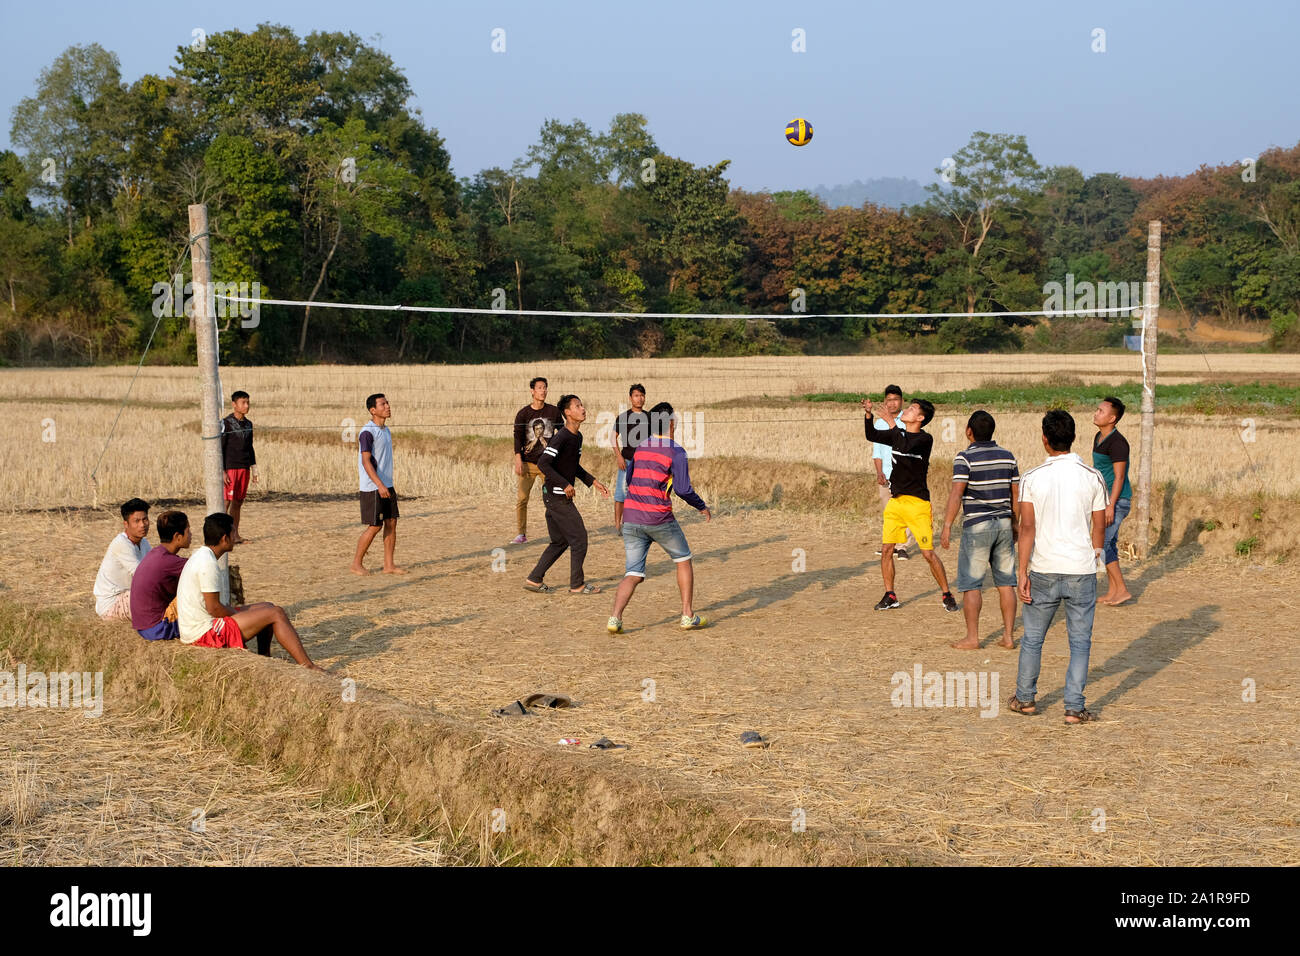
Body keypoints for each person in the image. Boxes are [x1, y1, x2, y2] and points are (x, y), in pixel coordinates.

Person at [1009, 410, 1108, 725]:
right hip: (1081, 569)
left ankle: (1025, 699)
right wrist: (1095, 558)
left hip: (1044, 568)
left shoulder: (1033, 478)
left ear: (1044, 439)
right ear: (1074, 437)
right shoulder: (1092, 476)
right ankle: (1074, 707)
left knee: (1033, 637)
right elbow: (1100, 524)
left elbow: (1027, 528)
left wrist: (1022, 572)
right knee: (1080, 641)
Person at [608, 402, 712, 633]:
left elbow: (630, 478)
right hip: (659, 518)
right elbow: (684, 489)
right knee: (683, 559)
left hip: (631, 517)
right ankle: (687, 614)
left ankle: (614, 619)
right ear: (672, 424)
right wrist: (701, 507)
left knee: (633, 573)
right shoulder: (676, 451)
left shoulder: (641, 447)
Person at [177, 512, 323, 670]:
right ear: (224, 538)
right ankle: (308, 665)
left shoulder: (201, 555)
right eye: (233, 532)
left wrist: (239, 613)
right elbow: (214, 608)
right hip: (203, 634)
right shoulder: (207, 564)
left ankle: (264, 659)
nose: (235, 537)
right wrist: (237, 614)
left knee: (268, 606)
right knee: (276, 613)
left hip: (197, 627)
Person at [861, 397, 958, 613]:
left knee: (927, 554)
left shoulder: (925, 439)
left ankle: (946, 594)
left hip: (918, 505)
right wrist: (868, 415)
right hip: (895, 503)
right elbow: (872, 435)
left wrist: (891, 422)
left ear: (920, 418)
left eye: (912, 409)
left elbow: (905, 444)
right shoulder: (899, 434)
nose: (906, 410)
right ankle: (890, 595)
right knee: (887, 549)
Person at [940, 411, 1020, 650]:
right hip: (1005, 523)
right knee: (1006, 583)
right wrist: (1015, 523)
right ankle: (1008, 636)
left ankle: (973, 638)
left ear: (968, 431)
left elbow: (957, 493)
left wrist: (946, 526)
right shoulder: (1008, 456)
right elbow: (1016, 493)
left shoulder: (964, 458)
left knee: (972, 583)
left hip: (977, 526)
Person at [524, 394, 610, 594]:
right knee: (579, 538)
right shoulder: (561, 437)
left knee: (560, 541)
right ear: (567, 413)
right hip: (556, 496)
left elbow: (573, 466)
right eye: (578, 406)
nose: (583, 409)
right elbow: (543, 463)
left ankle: (534, 579)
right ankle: (577, 585)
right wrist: (564, 485)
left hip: (554, 496)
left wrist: (593, 481)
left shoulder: (576, 437)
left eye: (582, 405)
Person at [351, 393, 404, 575]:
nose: (387, 406)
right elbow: (366, 461)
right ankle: (356, 564)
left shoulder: (386, 430)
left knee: (391, 522)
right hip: (373, 487)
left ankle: (389, 565)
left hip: (387, 484)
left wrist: (386, 484)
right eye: (383, 404)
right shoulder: (367, 432)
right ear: (373, 410)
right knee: (375, 526)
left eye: (387, 402)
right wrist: (379, 485)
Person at [1092, 396, 1133, 606]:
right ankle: (1114, 591)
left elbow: (1119, 477)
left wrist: (1110, 505)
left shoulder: (1118, 443)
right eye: (1097, 409)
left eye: (1101, 411)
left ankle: (1123, 590)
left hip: (1117, 501)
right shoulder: (1098, 437)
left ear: (1112, 418)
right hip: (1106, 500)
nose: (1096, 413)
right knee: (1110, 545)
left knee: (1104, 543)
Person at [512, 377, 562, 544]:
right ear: (532, 391)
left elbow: (562, 433)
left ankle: (558, 533)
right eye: (540, 388)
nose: (543, 390)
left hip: (547, 465)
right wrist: (518, 458)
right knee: (522, 499)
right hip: (528, 464)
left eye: (545, 387)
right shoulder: (524, 414)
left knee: (552, 499)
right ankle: (521, 534)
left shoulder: (554, 412)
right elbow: (517, 437)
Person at [130, 510, 190, 641]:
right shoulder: (168, 561)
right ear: (177, 537)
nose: (190, 535)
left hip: (144, 626)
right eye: (188, 531)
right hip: (157, 629)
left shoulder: (156, 553)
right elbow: (200, 569)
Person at [871, 385, 913, 559]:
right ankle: (890, 545)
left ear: (902, 401)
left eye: (896, 399)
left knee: (905, 511)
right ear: (884, 402)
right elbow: (877, 452)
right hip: (886, 475)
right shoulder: (879, 423)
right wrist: (879, 472)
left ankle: (903, 546)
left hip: (904, 475)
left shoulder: (909, 420)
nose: (892, 403)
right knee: (889, 512)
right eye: (889, 400)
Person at [93, 498, 151, 620]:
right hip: (112, 603)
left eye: (145, 519)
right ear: (126, 524)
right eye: (137, 521)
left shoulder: (144, 543)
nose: (142, 525)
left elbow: (154, 568)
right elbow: (143, 576)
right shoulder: (121, 544)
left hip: (128, 595)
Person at [612, 383, 650, 533]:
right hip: (627, 460)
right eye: (636, 396)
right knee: (621, 493)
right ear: (630, 398)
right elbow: (613, 438)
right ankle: (617, 524)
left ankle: (640, 522)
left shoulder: (650, 417)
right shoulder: (623, 417)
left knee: (643, 493)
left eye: (641, 395)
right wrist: (619, 457)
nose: (639, 399)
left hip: (645, 462)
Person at [220, 390, 257, 544]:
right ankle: (220, 536)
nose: (246, 405)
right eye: (243, 402)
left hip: (244, 468)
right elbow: (220, 448)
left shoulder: (249, 424)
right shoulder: (225, 423)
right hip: (230, 468)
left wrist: (254, 468)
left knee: (238, 502)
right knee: (225, 502)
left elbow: (250, 447)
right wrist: (222, 471)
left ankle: (234, 535)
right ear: (234, 404)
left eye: (248, 402)